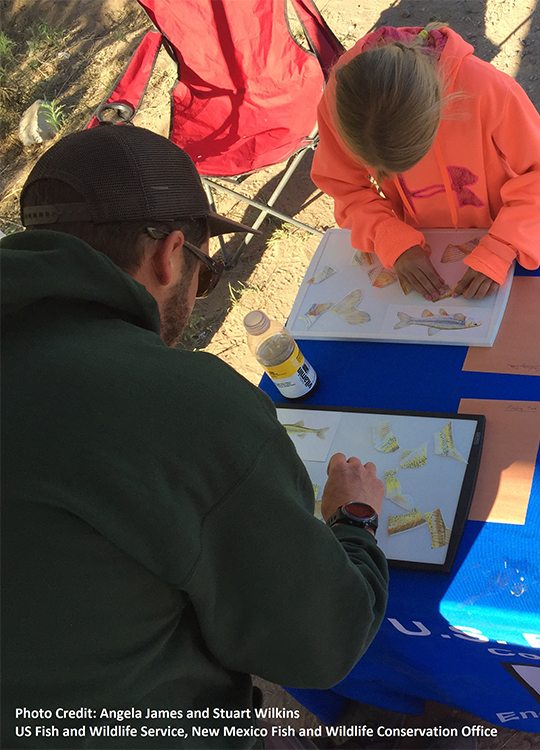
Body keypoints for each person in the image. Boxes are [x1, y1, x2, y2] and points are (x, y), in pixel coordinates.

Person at [0, 124, 389, 749]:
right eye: (203, 273)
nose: (196, 288)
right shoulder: (176, 403)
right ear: (169, 253)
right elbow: (323, 640)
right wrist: (355, 519)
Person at [311, 23, 540, 301]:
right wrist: (388, 235)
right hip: (421, 238)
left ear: (441, 108)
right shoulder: (340, 99)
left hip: (500, 228)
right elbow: (343, 186)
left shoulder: (487, 89)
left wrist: (503, 245)